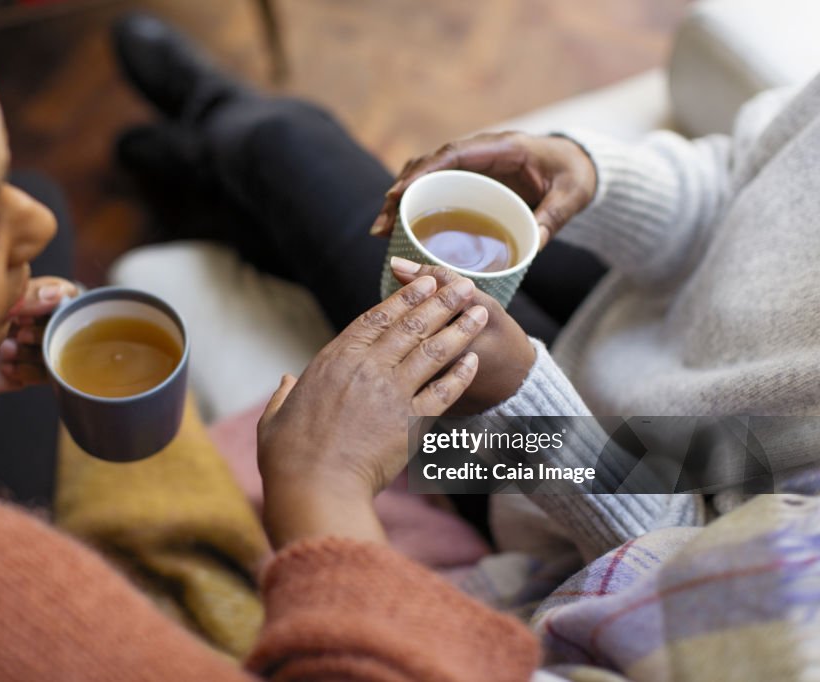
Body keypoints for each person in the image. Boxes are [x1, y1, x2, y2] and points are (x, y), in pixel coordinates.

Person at [0, 1, 542, 679]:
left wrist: (332, 488)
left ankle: (203, 151)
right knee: (287, 149)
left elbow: (661, 489)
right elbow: (657, 477)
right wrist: (538, 385)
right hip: (575, 468)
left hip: (551, 501)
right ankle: (209, 147)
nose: (37, 226)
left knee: (280, 159)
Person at [108, 14, 820, 680]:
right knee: (291, 165)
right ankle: (211, 165)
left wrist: (525, 402)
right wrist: (596, 176)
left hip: (563, 489)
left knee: (286, 147)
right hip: (634, 311)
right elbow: (736, 180)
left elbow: (678, 556)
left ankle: (208, 148)